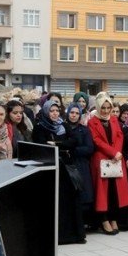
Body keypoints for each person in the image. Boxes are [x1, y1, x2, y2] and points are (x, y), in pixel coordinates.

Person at [32, 101, 87, 244]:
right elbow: (42, 145)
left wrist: (56, 144)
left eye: (57, 110)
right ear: (45, 112)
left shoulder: (63, 125)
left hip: (66, 168)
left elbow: (75, 140)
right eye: (52, 111)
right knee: (57, 202)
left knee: (71, 201)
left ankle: (75, 235)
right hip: (51, 168)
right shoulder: (40, 127)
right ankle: (59, 236)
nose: (55, 113)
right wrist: (63, 146)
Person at [87, 92, 128, 235]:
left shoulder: (113, 120)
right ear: (99, 107)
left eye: (108, 108)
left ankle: (114, 218)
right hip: (101, 159)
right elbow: (96, 140)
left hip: (116, 159)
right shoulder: (92, 122)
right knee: (102, 192)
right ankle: (104, 220)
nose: (106, 111)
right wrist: (113, 152)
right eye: (103, 108)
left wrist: (117, 153)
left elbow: (119, 136)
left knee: (114, 191)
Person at [64, 103, 95, 230]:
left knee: (83, 195)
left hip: (81, 164)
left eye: (77, 113)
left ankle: (83, 224)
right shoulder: (62, 128)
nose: (74, 115)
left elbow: (89, 148)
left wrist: (72, 150)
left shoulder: (84, 129)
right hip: (66, 165)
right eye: (72, 112)